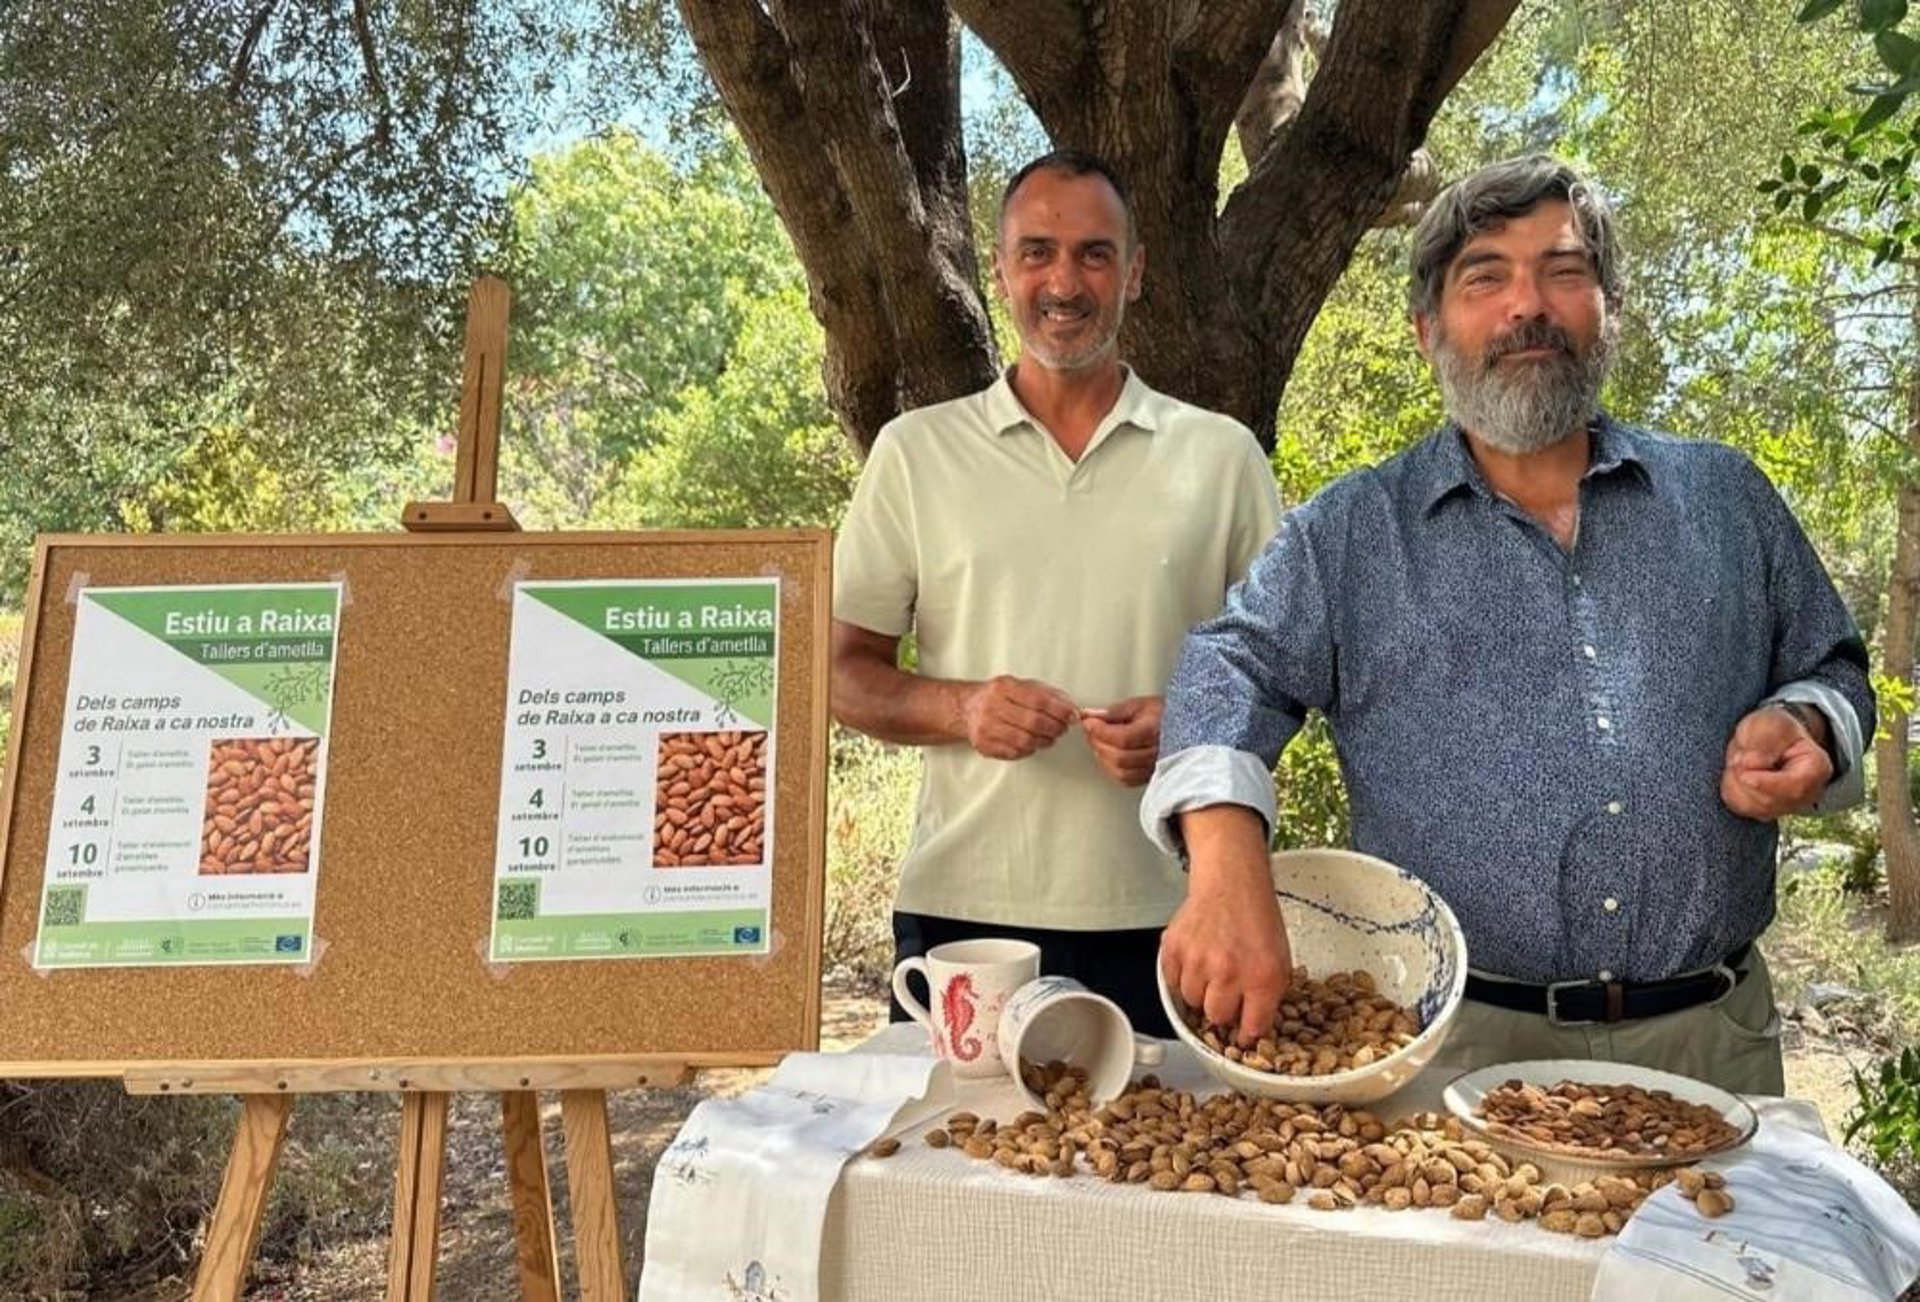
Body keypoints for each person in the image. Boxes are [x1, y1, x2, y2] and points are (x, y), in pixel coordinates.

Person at [1143, 154, 1873, 1092]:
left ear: (1610, 309)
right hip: (1453, 1057)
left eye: (1563, 272)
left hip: (1715, 1046)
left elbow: (1833, 664)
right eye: (1485, 278)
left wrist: (1809, 722)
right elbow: (1227, 668)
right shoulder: (1352, 533)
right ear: (1427, 330)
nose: (1528, 305)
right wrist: (1224, 864)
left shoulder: (1727, 498)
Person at [832, 150, 1280, 1037]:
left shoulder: (1223, 457)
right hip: (962, 915)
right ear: (1000, 271)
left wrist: (1193, 728)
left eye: (1094, 254)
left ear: (1135, 273)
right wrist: (963, 708)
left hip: (1178, 915)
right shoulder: (915, 453)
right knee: (956, 1135)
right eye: (1036, 252)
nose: (1064, 283)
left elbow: (1282, 678)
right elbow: (840, 672)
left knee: (1163, 1137)